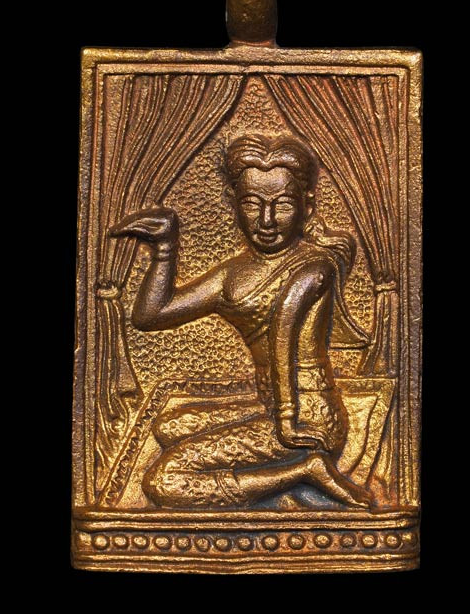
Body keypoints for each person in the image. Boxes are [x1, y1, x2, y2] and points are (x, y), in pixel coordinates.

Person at [110, 134, 373, 509]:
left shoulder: (315, 266)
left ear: (308, 205)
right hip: (270, 406)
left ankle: (304, 470)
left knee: (164, 481)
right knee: (168, 426)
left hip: (308, 419)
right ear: (232, 203)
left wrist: (287, 421)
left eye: (282, 205)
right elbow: (151, 316)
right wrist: (165, 250)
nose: (266, 221)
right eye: (252, 204)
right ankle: (290, 461)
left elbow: (283, 334)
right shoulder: (233, 274)